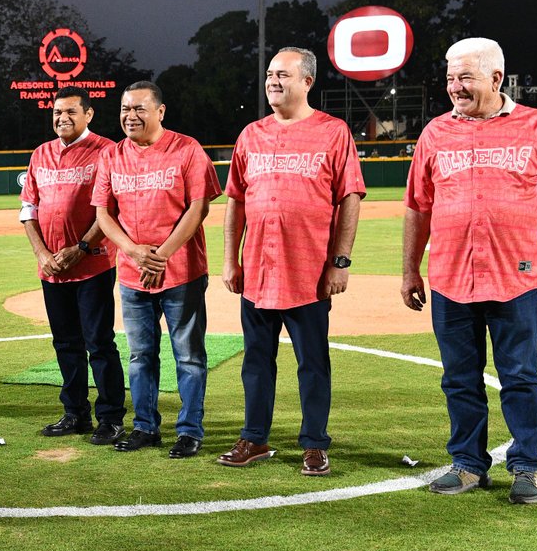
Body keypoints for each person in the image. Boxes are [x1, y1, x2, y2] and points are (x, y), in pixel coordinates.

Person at [402, 37, 537, 505]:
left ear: (496, 78)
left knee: (520, 374)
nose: (455, 87)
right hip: (451, 278)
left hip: (515, 277)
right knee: (459, 377)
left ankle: (526, 466)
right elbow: (418, 208)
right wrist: (409, 271)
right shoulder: (435, 133)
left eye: (465, 77)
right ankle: (468, 464)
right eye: (450, 78)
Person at [219, 48, 365, 477]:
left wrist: (340, 262)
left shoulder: (333, 132)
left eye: (282, 74)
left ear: (307, 82)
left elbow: (350, 198)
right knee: (255, 361)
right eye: (268, 74)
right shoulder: (251, 134)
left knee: (313, 362)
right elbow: (236, 202)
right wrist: (231, 260)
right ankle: (255, 438)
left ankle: (315, 443)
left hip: (309, 272)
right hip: (259, 272)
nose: (272, 81)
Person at [92, 81, 221, 458]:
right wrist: (134, 251)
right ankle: (145, 426)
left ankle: (189, 430)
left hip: (181, 273)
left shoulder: (187, 149)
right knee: (140, 355)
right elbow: (103, 213)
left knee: (190, 356)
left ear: (160, 112)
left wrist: (161, 255)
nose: (130, 116)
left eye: (139, 109)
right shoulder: (112, 156)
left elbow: (199, 208)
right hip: (133, 275)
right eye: (125, 109)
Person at [20, 86, 125, 444]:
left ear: (88, 114)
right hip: (51, 268)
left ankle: (110, 416)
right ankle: (75, 413)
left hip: (92, 264)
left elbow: (109, 209)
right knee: (65, 343)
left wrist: (80, 248)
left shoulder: (106, 150)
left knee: (99, 342)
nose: (62, 118)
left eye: (70, 112)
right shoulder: (41, 154)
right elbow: (28, 211)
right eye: (56, 113)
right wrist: (42, 255)